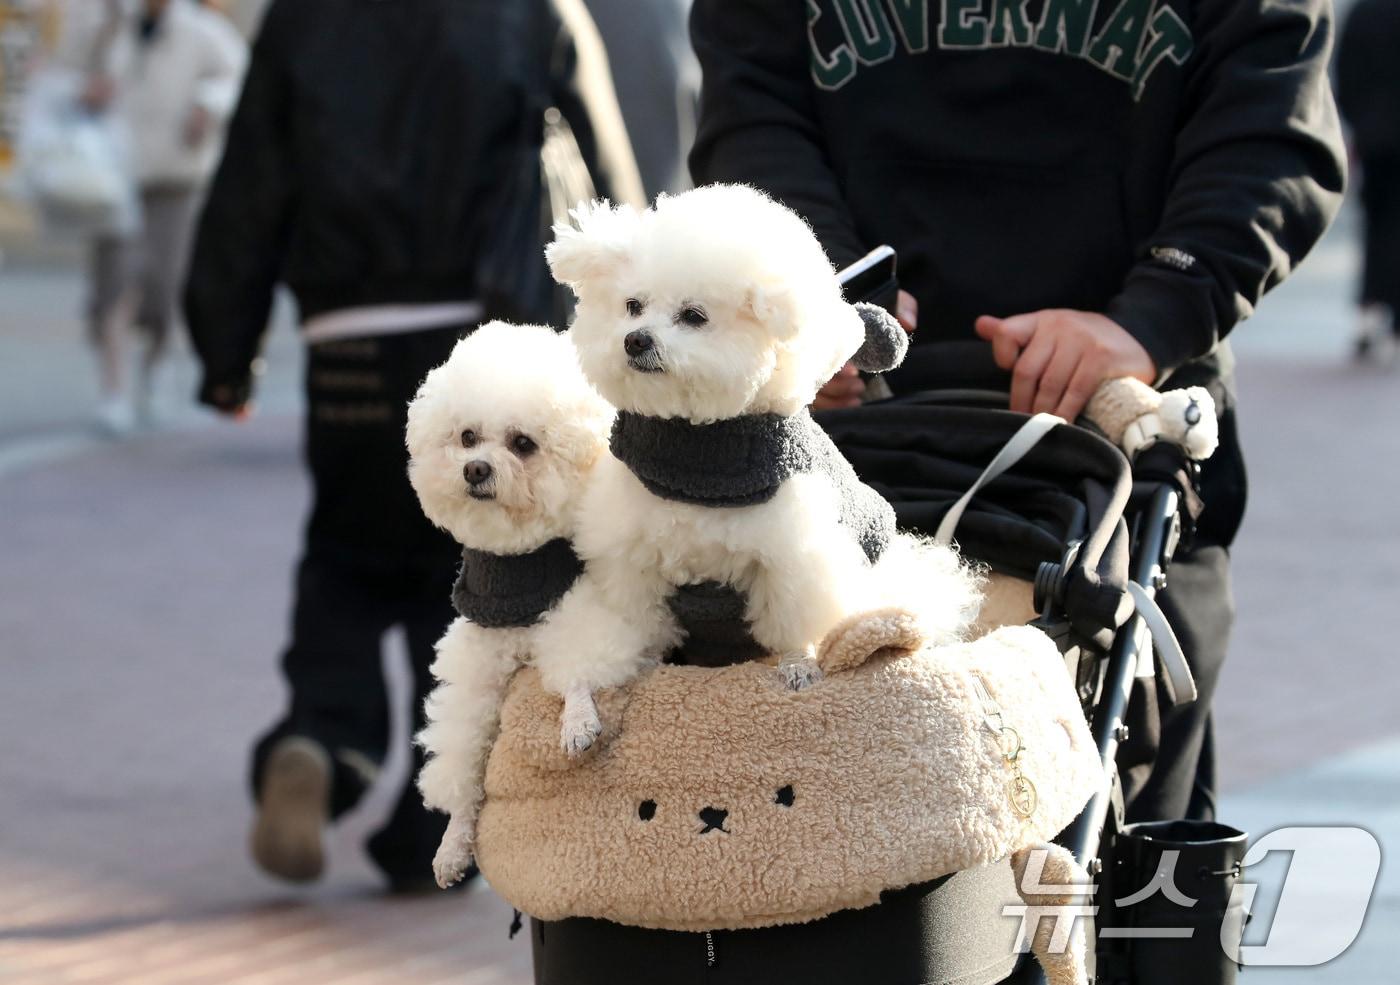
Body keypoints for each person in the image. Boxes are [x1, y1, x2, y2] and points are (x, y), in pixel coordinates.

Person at [690, 0, 1344, 831]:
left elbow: (1272, 121)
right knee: (821, 801)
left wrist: (1152, 316)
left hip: (1127, 431)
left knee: (1136, 817)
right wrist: (817, 300)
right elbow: (752, 105)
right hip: (856, 424)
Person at [183, 0, 641, 892]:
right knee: (473, 581)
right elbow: (611, 178)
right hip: (485, 336)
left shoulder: (303, 18)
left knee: (345, 559)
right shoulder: (534, 9)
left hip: (347, 339)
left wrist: (224, 347)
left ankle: (321, 736)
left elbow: (252, 177)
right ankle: (438, 817)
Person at [74, 0, 246, 433]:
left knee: (165, 286)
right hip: (113, 179)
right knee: (112, 284)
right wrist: (86, 90)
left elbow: (239, 76)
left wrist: (208, 106)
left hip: (175, 180)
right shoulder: (107, 24)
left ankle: (156, 365)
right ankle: (112, 390)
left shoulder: (203, 31)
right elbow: (64, 74)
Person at [1337, 0, 1400, 362]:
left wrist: (1357, 125)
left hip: (1373, 137)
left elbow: (1345, 76)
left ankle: (1368, 309)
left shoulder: (1362, 13)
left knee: (1375, 225)